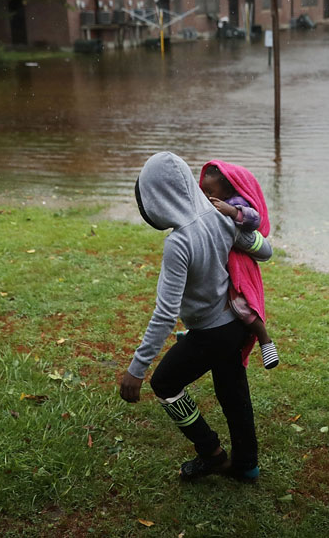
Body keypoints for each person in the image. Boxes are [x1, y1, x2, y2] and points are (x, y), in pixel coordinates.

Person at [120, 151, 273, 482]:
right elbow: (265, 250)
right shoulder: (219, 218)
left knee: (165, 383)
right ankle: (246, 464)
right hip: (235, 325)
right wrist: (240, 223)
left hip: (211, 333)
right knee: (233, 392)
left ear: (156, 198)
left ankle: (211, 453)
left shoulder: (178, 242)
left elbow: (165, 313)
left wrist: (137, 369)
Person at [199, 160, 279, 369]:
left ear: (226, 189)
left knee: (241, 305)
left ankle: (265, 339)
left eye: (210, 191)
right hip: (222, 263)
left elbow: (254, 220)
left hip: (239, 263)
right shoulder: (209, 205)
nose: (207, 196)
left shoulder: (237, 202)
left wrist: (233, 211)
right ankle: (195, 336)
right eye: (204, 191)